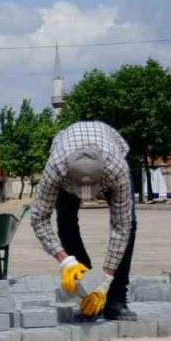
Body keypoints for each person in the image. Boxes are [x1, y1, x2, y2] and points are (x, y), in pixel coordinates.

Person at [30, 121, 137, 320]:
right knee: (65, 221)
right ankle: (86, 286)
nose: (87, 196)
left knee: (130, 224)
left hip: (110, 155)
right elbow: (39, 218)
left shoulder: (116, 170)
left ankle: (116, 299)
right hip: (66, 162)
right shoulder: (56, 169)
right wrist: (66, 261)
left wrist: (106, 280)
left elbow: (121, 227)